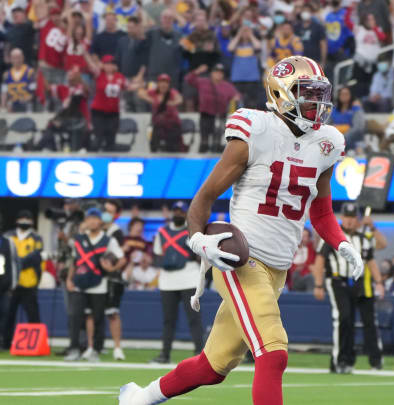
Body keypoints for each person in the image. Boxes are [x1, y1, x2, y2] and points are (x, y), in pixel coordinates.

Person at [119, 56, 363, 405]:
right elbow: (204, 197)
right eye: (306, 93)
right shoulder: (256, 129)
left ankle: (140, 398)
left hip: (278, 267)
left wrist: (342, 243)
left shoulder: (327, 142)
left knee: (212, 367)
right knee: (273, 352)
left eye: (319, 94)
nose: (316, 103)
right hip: (242, 259)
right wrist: (198, 239)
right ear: (281, 94)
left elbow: (321, 210)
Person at [312, 203, 385, 373]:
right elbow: (320, 260)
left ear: (357, 219)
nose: (350, 221)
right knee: (343, 318)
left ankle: (352, 360)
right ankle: (340, 360)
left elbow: (372, 260)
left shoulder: (363, 238)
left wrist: (379, 282)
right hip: (337, 281)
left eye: (353, 218)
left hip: (357, 283)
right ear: (341, 218)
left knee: (355, 321)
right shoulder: (331, 235)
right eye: (347, 217)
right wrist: (318, 284)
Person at [65, 207, 126, 362]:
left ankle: (96, 349)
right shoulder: (78, 239)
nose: (92, 221)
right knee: (75, 316)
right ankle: (74, 348)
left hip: (99, 284)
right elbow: (74, 261)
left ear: (100, 221)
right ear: (86, 221)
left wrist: (111, 269)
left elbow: (122, 258)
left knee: (98, 317)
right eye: (89, 218)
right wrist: (69, 279)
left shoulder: (108, 240)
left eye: (95, 218)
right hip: (80, 282)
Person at [148, 201, 203, 364]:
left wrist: (191, 248)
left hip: (189, 278)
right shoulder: (162, 232)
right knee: (168, 320)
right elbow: (157, 255)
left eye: (181, 211)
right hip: (168, 280)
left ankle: (200, 353)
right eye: (176, 211)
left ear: (186, 213)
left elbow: (200, 255)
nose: (178, 213)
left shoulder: (192, 231)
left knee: (194, 318)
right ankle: (165, 354)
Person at [2, 211, 43, 350]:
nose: (24, 221)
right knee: (8, 315)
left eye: (27, 218)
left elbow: (36, 256)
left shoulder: (36, 237)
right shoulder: (8, 236)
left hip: (29, 281)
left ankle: (35, 343)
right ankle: (5, 342)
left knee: (33, 314)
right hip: (12, 282)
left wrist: (18, 262)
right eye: (22, 218)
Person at [185, 63, 240, 153]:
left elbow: (237, 96)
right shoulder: (203, 82)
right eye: (216, 72)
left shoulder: (228, 86)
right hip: (206, 115)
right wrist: (198, 71)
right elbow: (188, 79)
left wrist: (236, 99)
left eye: (221, 73)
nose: (218, 74)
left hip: (220, 116)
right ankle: (202, 160)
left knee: (217, 142)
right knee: (204, 142)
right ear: (211, 73)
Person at [84, 54, 133, 152]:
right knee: (98, 137)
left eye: (112, 64)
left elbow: (129, 86)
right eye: (107, 64)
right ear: (103, 65)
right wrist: (85, 53)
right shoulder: (99, 75)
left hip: (113, 113)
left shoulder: (119, 77)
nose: (110, 66)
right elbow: (91, 65)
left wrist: (140, 84)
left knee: (111, 139)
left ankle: (108, 160)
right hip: (99, 112)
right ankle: (94, 158)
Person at [102, 200, 126, 360]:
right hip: (95, 277)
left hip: (111, 277)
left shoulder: (116, 232)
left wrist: (111, 268)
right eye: (104, 210)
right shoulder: (91, 228)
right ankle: (94, 346)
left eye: (109, 211)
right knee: (91, 313)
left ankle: (117, 347)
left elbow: (119, 255)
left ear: (116, 215)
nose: (105, 214)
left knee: (112, 312)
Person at [137, 74, 184, 152]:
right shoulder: (154, 92)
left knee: (173, 148)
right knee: (154, 147)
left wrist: (172, 103)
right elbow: (140, 93)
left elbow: (180, 99)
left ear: (168, 84)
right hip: (158, 125)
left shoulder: (172, 92)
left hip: (172, 125)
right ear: (158, 84)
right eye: (161, 82)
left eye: (166, 82)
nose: (163, 84)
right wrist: (151, 100)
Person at [115, 16, 150, 112]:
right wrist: (119, 76)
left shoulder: (143, 41)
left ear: (137, 27)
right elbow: (118, 59)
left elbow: (145, 61)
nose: (129, 30)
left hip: (138, 78)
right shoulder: (122, 41)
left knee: (139, 102)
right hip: (124, 77)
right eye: (128, 27)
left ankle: (141, 126)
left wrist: (140, 76)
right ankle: (127, 126)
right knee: (126, 104)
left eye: (132, 27)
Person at [227, 18, 263, 109]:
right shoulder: (236, 45)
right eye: (243, 31)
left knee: (251, 103)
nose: (245, 33)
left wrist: (250, 34)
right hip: (237, 78)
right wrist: (239, 34)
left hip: (252, 78)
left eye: (247, 31)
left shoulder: (253, 44)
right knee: (237, 102)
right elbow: (230, 48)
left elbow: (258, 46)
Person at [329, 87, 365, 154]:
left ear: (351, 96)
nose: (344, 96)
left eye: (346, 94)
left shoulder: (356, 109)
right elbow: (328, 125)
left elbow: (358, 127)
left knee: (359, 148)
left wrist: (344, 137)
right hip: (335, 139)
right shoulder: (333, 110)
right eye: (342, 94)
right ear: (339, 96)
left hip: (353, 140)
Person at [1, 48, 36, 112]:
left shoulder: (30, 72)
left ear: (23, 57)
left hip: (26, 105)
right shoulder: (6, 74)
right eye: (14, 58)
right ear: (10, 59)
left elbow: (33, 92)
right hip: (11, 106)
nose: (17, 60)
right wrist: (3, 106)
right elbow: (4, 93)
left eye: (18, 57)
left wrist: (24, 99)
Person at [294, 4, 327, 69]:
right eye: (304, 11)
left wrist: (323, 62)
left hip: (314, 61)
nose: (305, 13)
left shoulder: (318, 27)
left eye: (308, 11)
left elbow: (323, 45)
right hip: (300, 61)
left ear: (311, 13)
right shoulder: (296, 27)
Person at [0, 219, 16, 349]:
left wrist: (12, 283)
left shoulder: (7, 242)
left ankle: (3, 341)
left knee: (5, 314)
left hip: (4, 285)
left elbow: (13, 263)